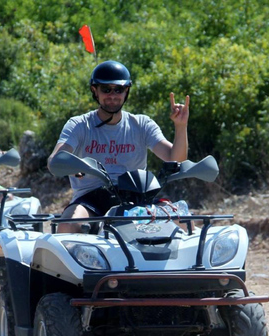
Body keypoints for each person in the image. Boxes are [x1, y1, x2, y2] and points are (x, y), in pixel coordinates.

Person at [48, 60, 189, 233]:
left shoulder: (142, 124)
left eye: (119, 89)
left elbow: (176, 159)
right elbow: (54, 160)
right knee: (67, 225)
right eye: (106, 89)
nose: (112, 95)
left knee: (186, 224)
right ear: (95, 91)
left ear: (126, 91)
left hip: (137, 197)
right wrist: (71, 165)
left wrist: (181, 127)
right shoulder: (79, 125)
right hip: (92, 199)